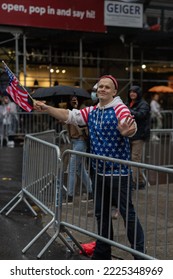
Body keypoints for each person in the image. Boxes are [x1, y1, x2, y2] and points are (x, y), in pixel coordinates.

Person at [34, 75, 145, 260]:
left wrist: (129, 131)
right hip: (98, 171)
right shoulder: (92, 111)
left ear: (114, 92)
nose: (102, 89)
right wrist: (46, 108)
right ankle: (103, 253)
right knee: (101, 213)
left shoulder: (120, 108)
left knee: (128, 214)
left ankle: (140, 257)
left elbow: (129, 124)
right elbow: (69, 116)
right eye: (100, 86)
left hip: (119, 173)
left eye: (107, 87)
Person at [65, 95, 93, 203]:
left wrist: (76, 111)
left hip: (81, 142)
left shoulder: (82, 111)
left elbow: (83, 127)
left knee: (72, 168)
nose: (73, 100)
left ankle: (70, 196)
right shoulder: (71, 111)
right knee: (80, 170)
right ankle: (91, 192)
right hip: (75, 142)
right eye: (72, 98)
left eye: (75, 98)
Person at [126, 85, 150, 190]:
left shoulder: (143, 104)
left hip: (139, 136)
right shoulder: (128, 103)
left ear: (138, 93)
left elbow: (141, 115)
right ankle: (140, 181)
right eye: (131, 92)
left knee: (134, 159)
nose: (132, 94)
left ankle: (132, 182)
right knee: (135, 160)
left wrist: (128, 111)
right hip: (129, 135)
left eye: (134, 92)